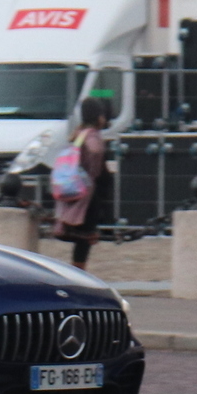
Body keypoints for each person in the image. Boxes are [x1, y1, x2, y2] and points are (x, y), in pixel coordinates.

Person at [48, 96, 113, 270]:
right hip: (88, 194)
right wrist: (95, 169)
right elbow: (95, 150)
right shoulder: (92, 135)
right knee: (84, 239)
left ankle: (78, 271)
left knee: (81, 240)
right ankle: (78, 273)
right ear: (99, 117)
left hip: (77, 189)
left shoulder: (78, 134)